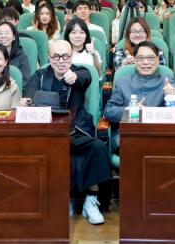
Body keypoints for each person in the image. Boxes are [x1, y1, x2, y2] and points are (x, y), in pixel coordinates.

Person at [21, 40, 109, 225]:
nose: (61, 61)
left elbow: (85, 78)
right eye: (56, 56)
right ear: (49, 57)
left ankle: (91, 200)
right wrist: (26, 101)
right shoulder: (40, 75)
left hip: (76, 130)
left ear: (71, 56)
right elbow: (30, 93)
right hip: (48, 132)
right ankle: (62, 198)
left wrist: (74, 77)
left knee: (98, 148)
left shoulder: (81, 71)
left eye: (65, 56)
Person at [106, 41, 175, 121]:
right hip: (131, 127)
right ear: (134, 60)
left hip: (160, 127)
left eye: (150, 58)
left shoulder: (167, 80)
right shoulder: (122, 82)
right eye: (141, 58)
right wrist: (131, 110)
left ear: (158, 60)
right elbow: (109, 111)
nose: (145, 62)